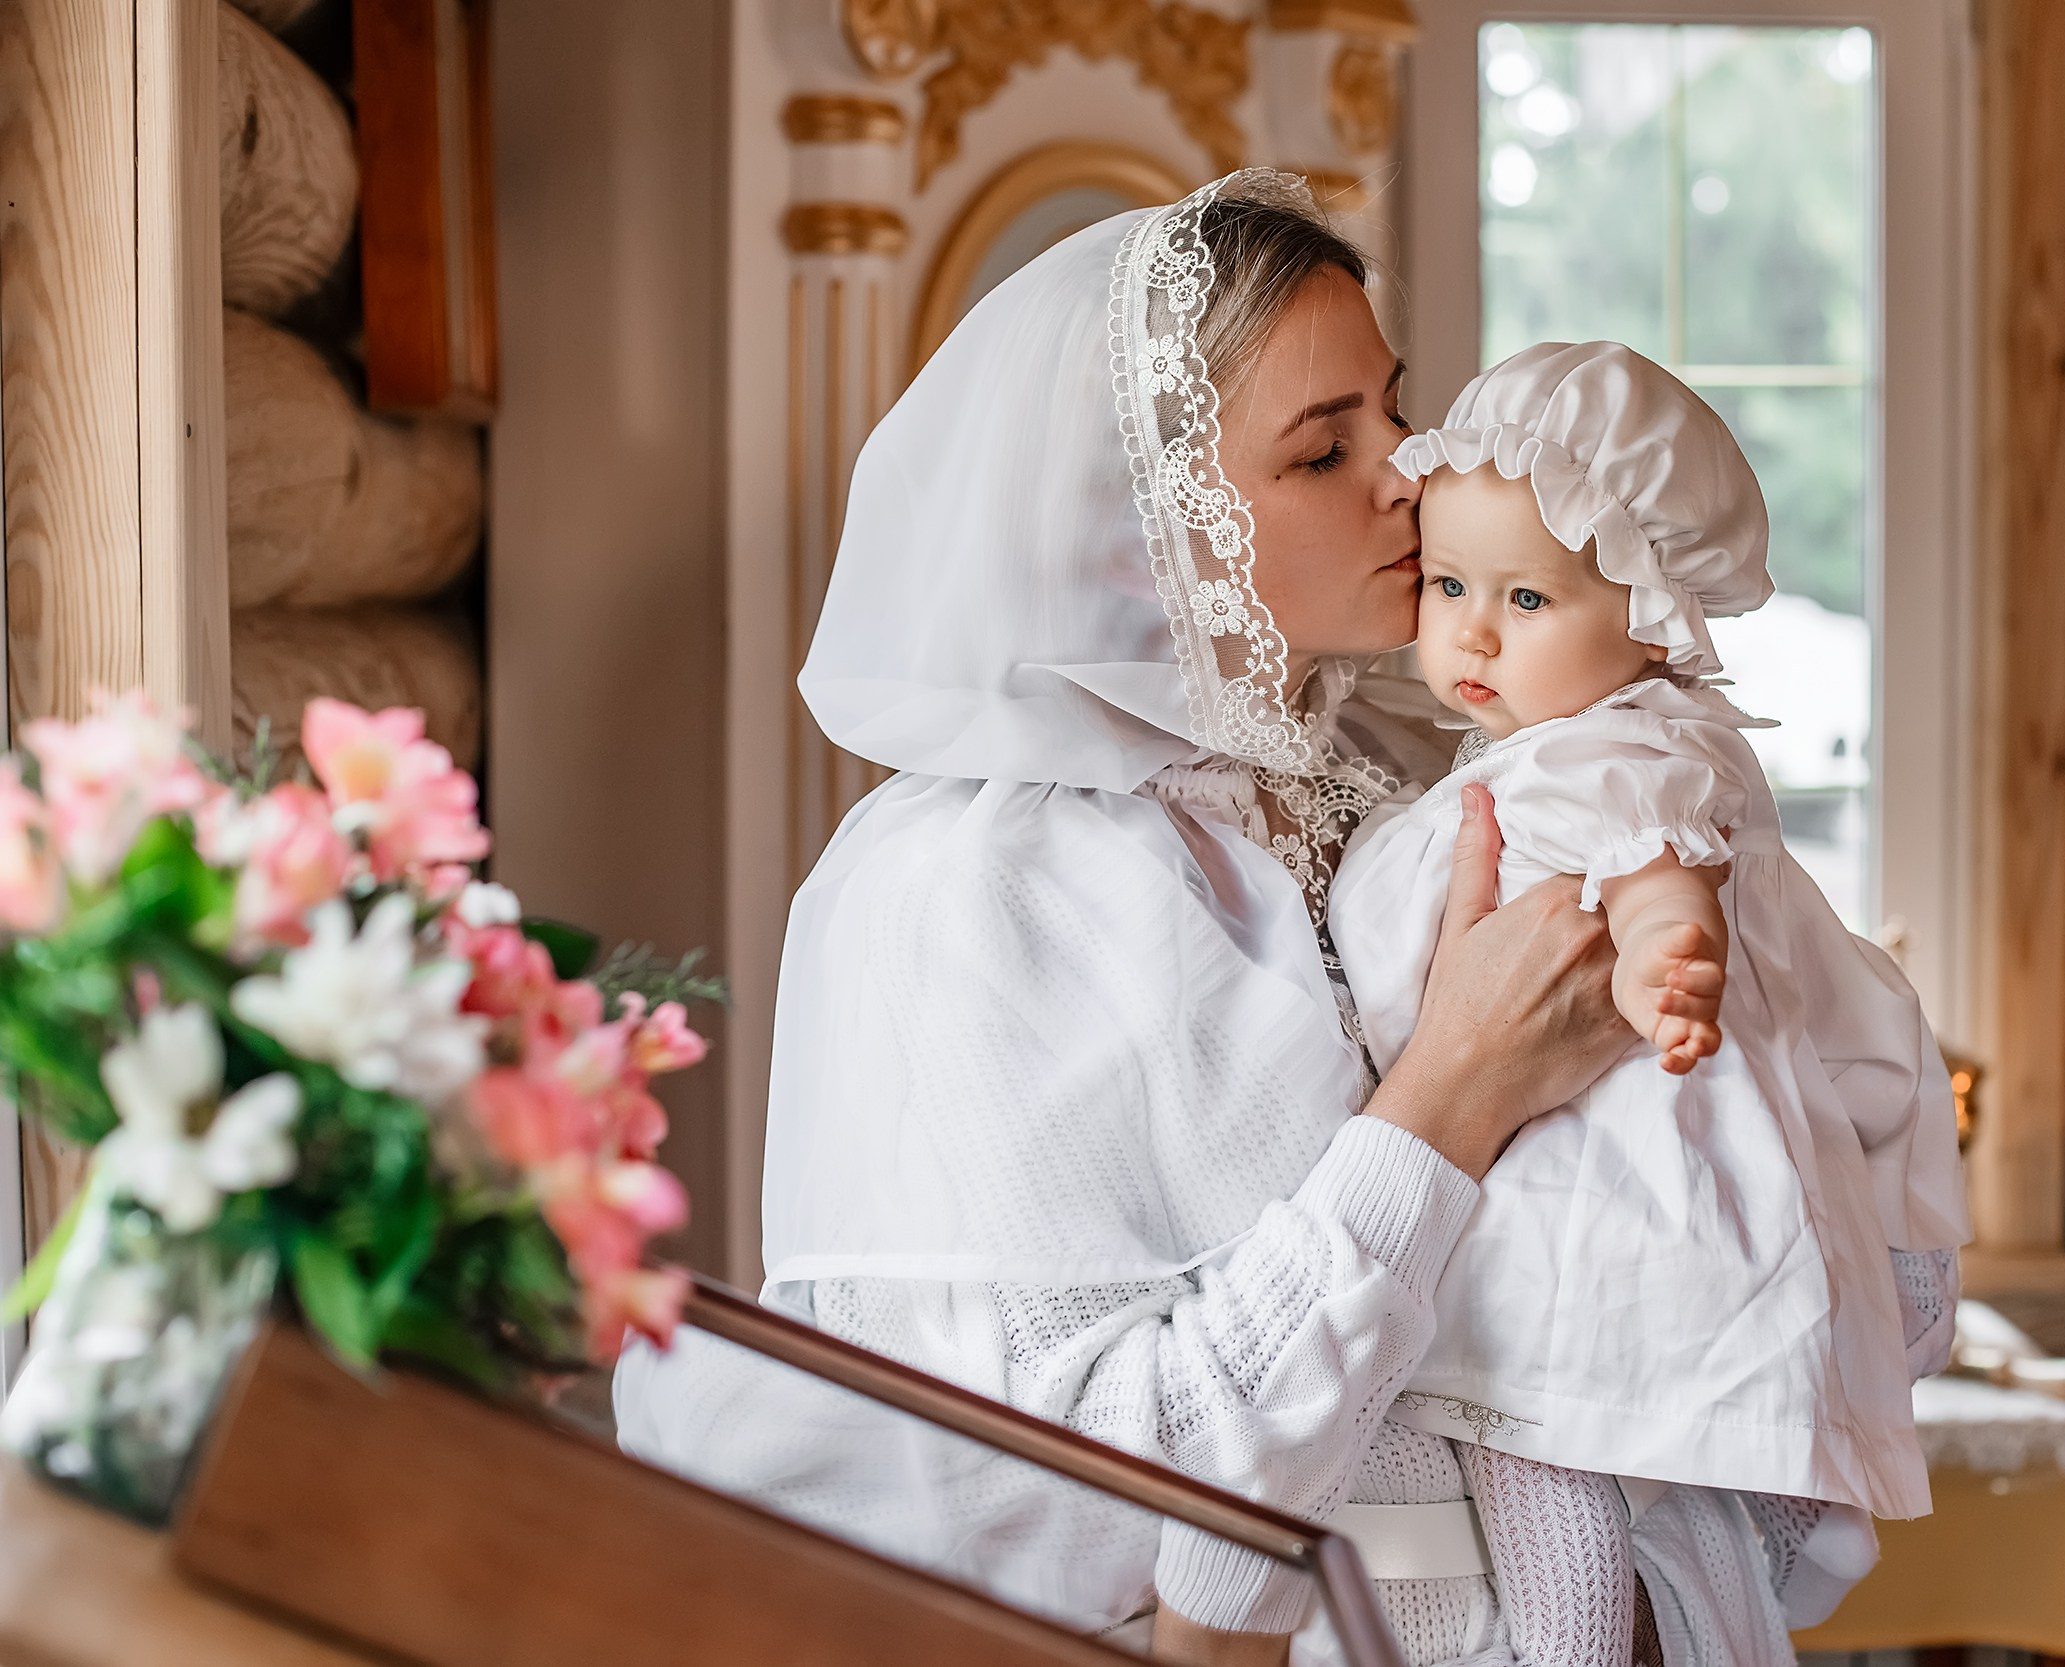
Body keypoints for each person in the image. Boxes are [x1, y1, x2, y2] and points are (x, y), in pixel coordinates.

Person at [613, 173, 1812, 1662]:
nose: (1409, 474)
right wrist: (1447, 1098)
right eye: (1323, 448)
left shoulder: (1416, 787)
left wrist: (1647, 1599)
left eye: (1395, 409)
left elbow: (1640, 1259)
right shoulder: (964, 884)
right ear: (1142, 525)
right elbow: (1054, 1484)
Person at [1328, 343, 1971, 1666]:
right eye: (1449, 585)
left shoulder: (1622, 752)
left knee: (1554, 1514)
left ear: (1648, 610)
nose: (1474, 631)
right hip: (1538, 1200)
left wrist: (1659, 960)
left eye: (1526, 596)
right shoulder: (1547, 746)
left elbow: (1663, 872)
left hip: (1579, 1218)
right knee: (1587, 1506)